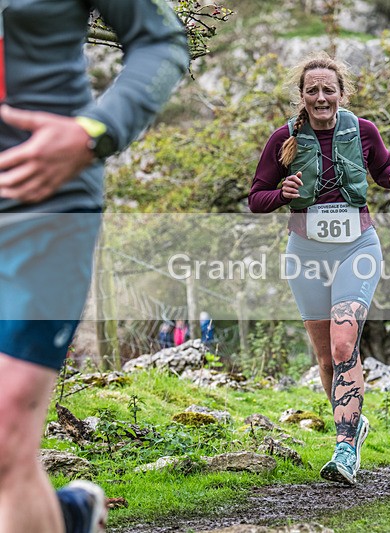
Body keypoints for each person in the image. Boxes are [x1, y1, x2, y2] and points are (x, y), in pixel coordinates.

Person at [0, 2, 188, 532]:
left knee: (5, 430)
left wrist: (95, 131)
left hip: (38, 208)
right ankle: (67, 516)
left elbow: (162, 40)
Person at [248, 52, 390, 485]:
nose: (321, 97)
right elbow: (256, 199)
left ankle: (344, 448)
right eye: (312, 90)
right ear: (301, 96)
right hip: (304, 252)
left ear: (341, 93)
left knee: (344, 345)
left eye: (329, 89)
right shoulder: (281, 139)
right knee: (326, 359)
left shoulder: (362, 131)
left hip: (357, 247)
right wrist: (282, 193)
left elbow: (383, 168)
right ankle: (353, 424)